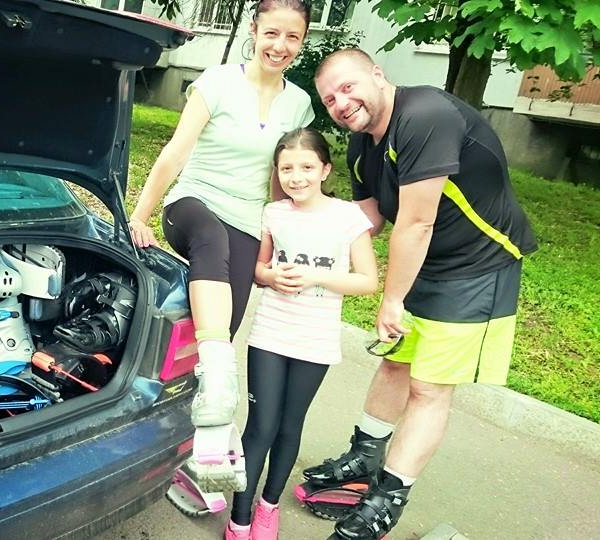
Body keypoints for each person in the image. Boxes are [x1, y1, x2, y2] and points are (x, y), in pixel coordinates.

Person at [305, 48, 538, 540]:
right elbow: (369, 217)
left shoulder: (425, 116)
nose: (341, 103)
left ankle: (387, 499)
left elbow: (416, 222)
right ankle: (365, 457)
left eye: (347, 87)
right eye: (329, 99)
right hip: (424, 261)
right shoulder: (363, 142)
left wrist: (390, 300)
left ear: (377, 74)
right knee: (395, 363)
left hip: (477, 265)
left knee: (429, 387)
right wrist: (308, 248)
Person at [128, 0, 315, 491]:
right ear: (254, 30)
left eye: (292, 37)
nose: (280, 46)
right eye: (272, 33)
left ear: (303, 41)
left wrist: (278, 244)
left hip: (247, 221)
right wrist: (140, 214)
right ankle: (216, 379)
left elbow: (281, 180)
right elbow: (176, 152)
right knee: (211, 244)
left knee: (222, 324)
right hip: (193, 205)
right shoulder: (217, 82)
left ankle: (201, 448)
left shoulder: (298, 104)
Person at [224, 128, 378, 540]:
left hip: (315, 339)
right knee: (260, 426)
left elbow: (367, 280)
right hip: (270, 333)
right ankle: (240, 517)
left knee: (290, 426)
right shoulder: (274, 213)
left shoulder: (348, 217)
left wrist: (315, 276)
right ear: (277, 172)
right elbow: (259, 269)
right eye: (287, 169)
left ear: (325, 169)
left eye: (307, 167)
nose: (297, 177)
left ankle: (268, 508)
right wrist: (271, 276)